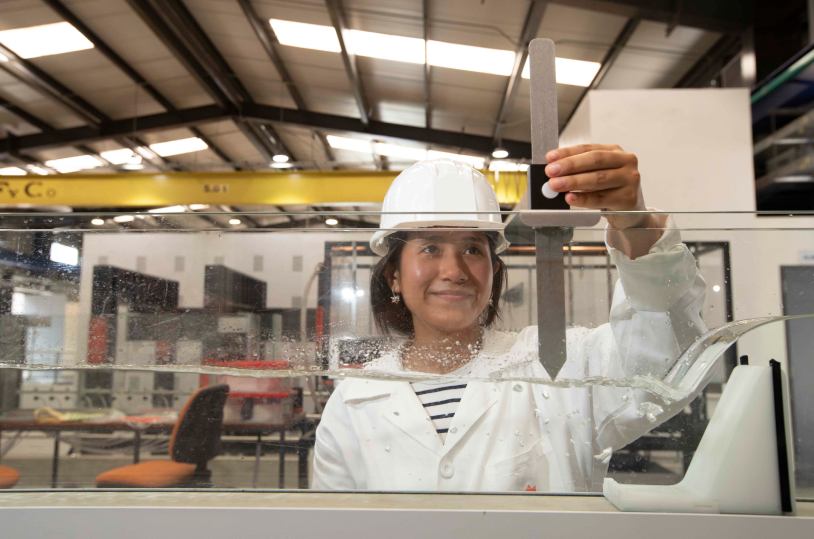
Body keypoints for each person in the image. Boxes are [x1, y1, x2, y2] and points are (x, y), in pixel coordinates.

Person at [312, 144, 709, 492]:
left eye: (472, 249)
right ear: (393, 274)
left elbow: (666, 357)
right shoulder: (355, 400)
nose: (453, 271)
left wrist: (635, 221)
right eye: (431, 247)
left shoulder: (555, 364)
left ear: (493, 271)